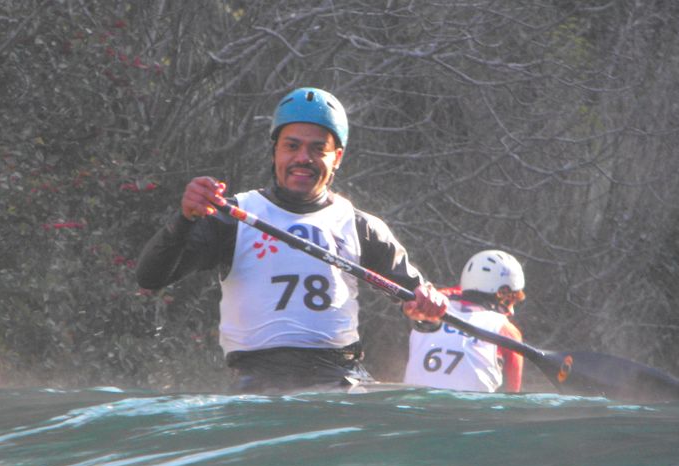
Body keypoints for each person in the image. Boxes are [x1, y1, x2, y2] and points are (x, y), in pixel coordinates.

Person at [136, 87, 447, 393]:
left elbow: (423, 312)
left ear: (337, 157)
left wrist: (426, 314)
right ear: (275, 152)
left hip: (342, 377)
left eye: (317, 148)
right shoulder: (232, 216)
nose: (303, 158)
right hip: (258, 380)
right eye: (292, 146)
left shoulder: (361, 226)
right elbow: (151, 276)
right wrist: (185, 218)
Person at [403, 250, 526, 393]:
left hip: (414, 406)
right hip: (468, 412)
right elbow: (513, 393)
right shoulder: (506, 330)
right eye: (510, 300)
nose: (511, 311)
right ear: (500, 293)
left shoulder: (425, 308)